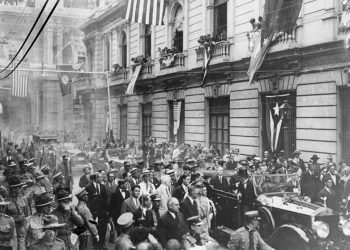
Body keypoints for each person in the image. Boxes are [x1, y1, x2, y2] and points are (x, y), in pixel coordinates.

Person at [6, 176, 29, 250]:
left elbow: (26, 214)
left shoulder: (23, 199)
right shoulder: (6, 201)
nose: (20, 188)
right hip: (11, 232)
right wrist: (17, 219)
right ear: (13, 189)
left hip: (22, 230)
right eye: (18, 187)